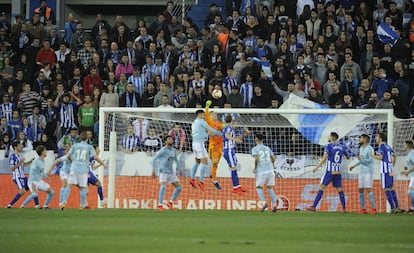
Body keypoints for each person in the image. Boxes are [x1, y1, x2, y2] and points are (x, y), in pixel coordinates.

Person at [61, 131, 107, 210]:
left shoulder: (75, 145)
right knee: (87, 187)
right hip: (84, 170)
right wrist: (103, 163)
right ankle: (83, 205)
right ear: (87, 138)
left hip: (74, 168)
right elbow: (95, 157)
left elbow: (68, 156)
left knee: (69, 186)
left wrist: (73, 161)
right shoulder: (89, 147)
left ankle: (64, 202)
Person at [306, 132, 349, 213]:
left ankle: (314, 206)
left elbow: (324, 158)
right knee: (339, 189)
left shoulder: (328, 146)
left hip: (330, 171)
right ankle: (344, 208)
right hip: (338, 171)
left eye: (329, 136)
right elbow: (348, 156)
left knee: (322, 187)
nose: (328, 137)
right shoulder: (341, 146)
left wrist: (317, 167)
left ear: (332, 137)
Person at [189, 109, 221, 191]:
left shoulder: (194, 123)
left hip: (194, 144)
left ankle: (192, 179)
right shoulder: (201, 121)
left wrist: (208, 135)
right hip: (200, 144)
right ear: (199, 115)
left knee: (197, 162)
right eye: (203, 115)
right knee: (205, 162)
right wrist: (219, 133)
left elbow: (202, 133)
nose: (204, 117)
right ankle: (201, 182)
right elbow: (210, 128)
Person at [372, 132, 402, 214]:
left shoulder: (381, 147)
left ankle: (392, 208)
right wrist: (393, 165)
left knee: (386, 189)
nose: (376, 138)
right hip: (390, 170)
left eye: (377, 137)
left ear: (381, 138)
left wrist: (372, 156)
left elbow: (380, 157)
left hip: (385, 171)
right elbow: (395, 156)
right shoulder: (388, 147)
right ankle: (397, 206)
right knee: (391, 188)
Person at [151, 135, 182, 211]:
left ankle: (170, 203)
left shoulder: (174, 150)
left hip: (171, 172)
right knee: (163, 187)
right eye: (169, 139)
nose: (171, 140)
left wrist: (180, 168)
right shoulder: (163, 150)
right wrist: (153, 170)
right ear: (165, 141)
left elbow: (176, 160)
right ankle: (160, 205)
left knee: (179, 187)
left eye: (171, 139)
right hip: (163, 172)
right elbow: (153, 159)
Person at [349, 134, 377, 215]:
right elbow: (361, 160)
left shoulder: (370, 148)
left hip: (368, 171)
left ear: (365, 139)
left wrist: (361, 160)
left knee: (368, 189)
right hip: (361, 172)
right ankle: (363, 208)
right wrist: (354, 166)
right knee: (360, 189)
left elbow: (370, 161)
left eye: (360, 138)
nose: (359, 140)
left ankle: (374, 208)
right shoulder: (361, 148)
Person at [6, 141, 38, 208]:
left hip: (23, 177)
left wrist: (30, 161)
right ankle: (10, 205)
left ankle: (37, 205)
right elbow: (12, 168)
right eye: (20, 145)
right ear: (15, 147)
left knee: (33, 187)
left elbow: (23, 165)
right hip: (17, 177)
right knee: (22, 191)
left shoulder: (20, 155)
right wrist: (20, 162)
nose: (21, 146)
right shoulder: (13, 156)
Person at [223, 115, 249, 194]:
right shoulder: (228, 127)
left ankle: (237, 186)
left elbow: (234, 138)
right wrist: (236, 139)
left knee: (234, 168)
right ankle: (235, 187)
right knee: (233, 168)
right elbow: (227, 136)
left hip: (231, 150)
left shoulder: (230, 129)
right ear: (232, 121)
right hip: (228, 150)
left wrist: (244, 134)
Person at [251, 133, 277, 212]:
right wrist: (270, 163)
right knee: (270, 188)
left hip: (261, 171)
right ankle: (274, 205)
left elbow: (256, 159)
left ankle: (264, 203)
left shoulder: (255, 149)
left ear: (256, 139)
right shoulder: (267, 148)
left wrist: (255, 168)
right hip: (270, 170)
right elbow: (273, 159)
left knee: (259, 187)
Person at [205, 100, 224, 190]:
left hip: (220, 147)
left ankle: (212, 175)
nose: (214, 115)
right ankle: (214, 180)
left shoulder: (220, 124)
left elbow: (225, 126)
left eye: (215, 114)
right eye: (212, 114)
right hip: (213, 147)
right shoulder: (210, 123)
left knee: (216, 165)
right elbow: (206, 115)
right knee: (214, 163)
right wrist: (207, 107)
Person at [400, 140, 414, 213]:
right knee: (411, 192)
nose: (403, 146)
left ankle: (412, 208)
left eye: (404, 145)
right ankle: (412, 208)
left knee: (410, 192)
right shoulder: (409, 154)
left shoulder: (412, 153)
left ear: (407, 146)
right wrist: (406, 169)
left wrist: (408, 171)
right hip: (412, 176)